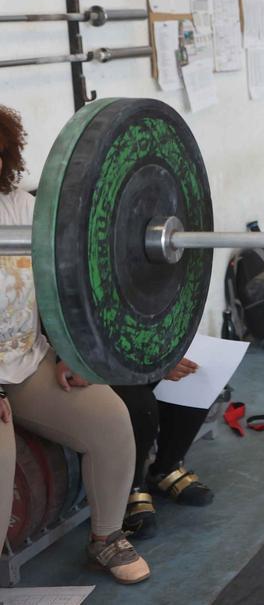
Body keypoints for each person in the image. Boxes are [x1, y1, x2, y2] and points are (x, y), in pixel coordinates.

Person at [0, 106, 150, 584]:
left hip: (26, 360)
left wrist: (67, 350)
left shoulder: (20, 207)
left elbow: (50, 287)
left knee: (110, 419)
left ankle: (105, 538)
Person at [113, 360, 215, 540]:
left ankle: (167, 466)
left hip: (148, 349)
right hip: (105, 360)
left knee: (196, 373)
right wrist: (151, 365)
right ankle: (130, 486)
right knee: (139, 404)